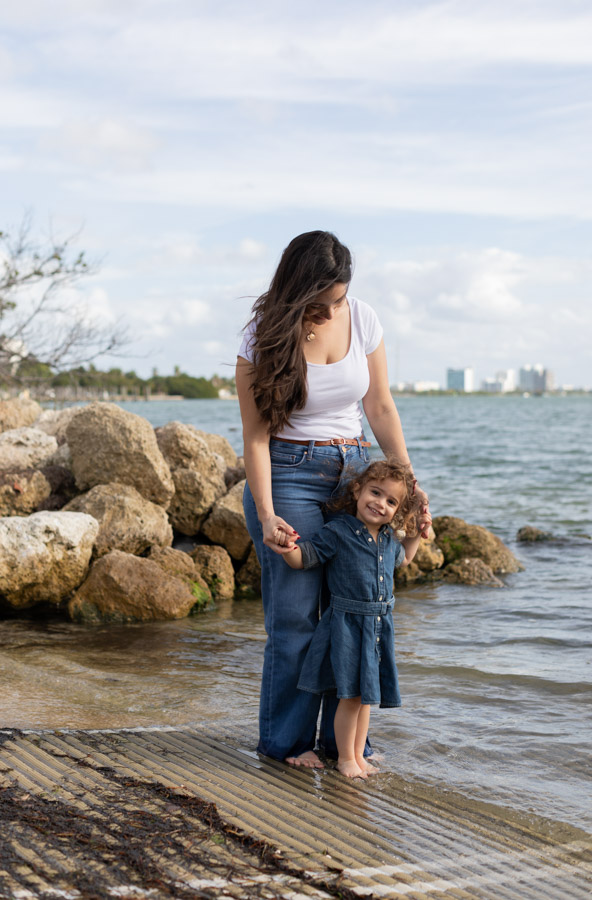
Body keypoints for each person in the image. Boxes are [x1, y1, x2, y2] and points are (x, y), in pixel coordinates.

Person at [236, 230, 429, 768]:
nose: (332, 311)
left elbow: (381, 405)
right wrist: (269, 513)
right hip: (289, 474)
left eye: (338, 300)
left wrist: (409, 487)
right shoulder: (260, 338)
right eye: (319, 304)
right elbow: (254, 438)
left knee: (355, 611)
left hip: (356, 475)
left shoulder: (363, 318)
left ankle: (344, 745)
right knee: (297, 619)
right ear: (295, 294)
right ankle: (289, 746)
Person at [275, 460, 431, 778]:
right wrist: (286, 547)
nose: (380, 504)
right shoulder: (339, 532)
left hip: (377, 628)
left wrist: (416, 531)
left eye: (391, 502)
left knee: (365, 698)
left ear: (398, 511)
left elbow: (406, 557)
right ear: (358, 490)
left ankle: (359, 756)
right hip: (347, 625)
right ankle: (346, 758)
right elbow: (304, 557)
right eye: (375, 492)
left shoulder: (388, 539)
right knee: (350, 697)